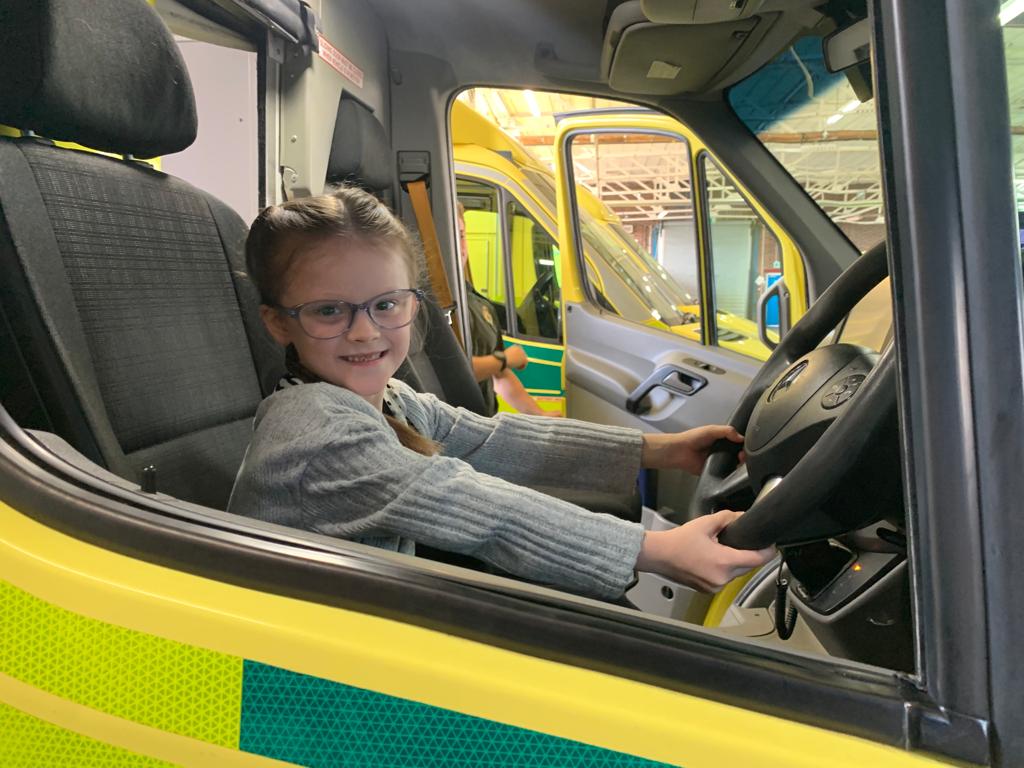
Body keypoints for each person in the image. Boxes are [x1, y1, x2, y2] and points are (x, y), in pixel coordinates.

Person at [228, 186, 774, 602]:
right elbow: (478, 510)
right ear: (278, 324)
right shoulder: (321, 437)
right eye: (329, 310)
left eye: (386, 304)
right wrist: (655, 551)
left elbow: (492, 438)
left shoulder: (390, 399)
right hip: (307, 670)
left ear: (412, 302)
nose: (366, 331)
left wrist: (661, 450)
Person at [456, 202, 546, 416]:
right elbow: (455, 373)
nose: (460, 246)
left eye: (461, 234)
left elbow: (501, 376)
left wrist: (540, 416)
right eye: (452, 235)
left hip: (483, 424)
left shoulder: (477, 303)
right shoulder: (430, 303)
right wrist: (505, 358)